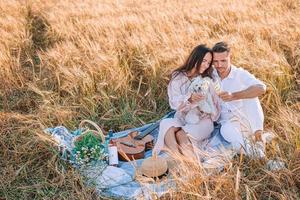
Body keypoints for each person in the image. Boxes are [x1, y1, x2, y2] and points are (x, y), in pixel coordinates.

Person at [153, 45, 220, 156]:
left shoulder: (207, 80)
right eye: (203, 61)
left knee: (181, 134)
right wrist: (189, 98)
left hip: (202, 120)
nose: (206, 65)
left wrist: (206, 110)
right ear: (195, 58)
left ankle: (190, 162)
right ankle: (178, 158)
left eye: (208, 63)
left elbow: (215, 104)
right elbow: (174, 103)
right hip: (182, 117)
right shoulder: (178, 77)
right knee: (166, 125)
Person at [212, 42, 266, 152]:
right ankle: (256, 154)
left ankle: (259, 137)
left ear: (230, 57)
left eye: (223, 61)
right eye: (215, 61)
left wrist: (234, 96)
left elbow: (261, 88)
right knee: (227, 131)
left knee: (252, 96)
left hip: (247, 119)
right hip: (228, 123)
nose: (219, 65)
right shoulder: (211, 75)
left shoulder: (239, 73)